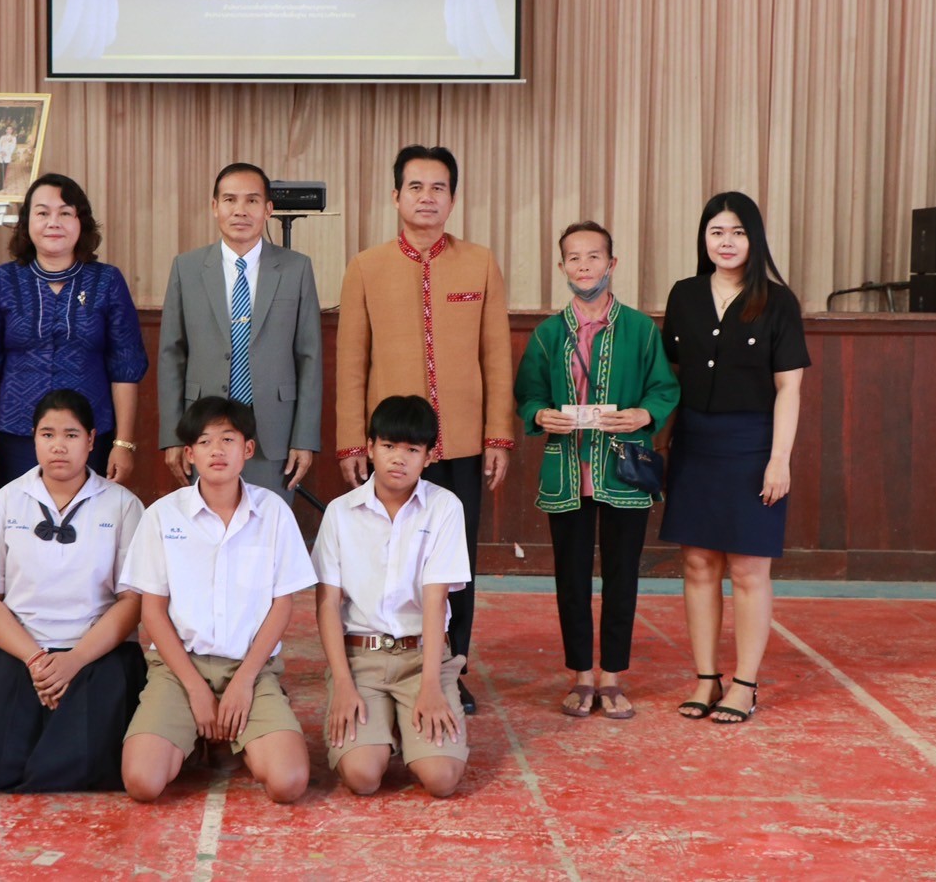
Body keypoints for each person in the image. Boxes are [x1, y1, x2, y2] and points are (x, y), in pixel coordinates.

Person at [336, 145, 516, 714]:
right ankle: (384, 666)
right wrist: (352, 441)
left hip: (461, 443)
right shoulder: (366, 266)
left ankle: (451, 668)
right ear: (396, 196)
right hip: (393, 447)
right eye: (415, 187)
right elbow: (351, 362)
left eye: (438, 188)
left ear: (453, 199)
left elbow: (496, 356)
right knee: (390, 560)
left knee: (455, 566)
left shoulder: (479, 263)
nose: (427, 197)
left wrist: (497, 435)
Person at [0, 389, 147, 792]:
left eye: (71, 434)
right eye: (47, 434)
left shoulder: (123, 505)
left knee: (83, 765)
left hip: (98, 652)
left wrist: (74, 660)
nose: (58, 446)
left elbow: (132, 600)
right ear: (33, 439)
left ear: (91, 439)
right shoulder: (4, 502)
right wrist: (36, 659)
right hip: (19, 649)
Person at [514, 222, 679, 719]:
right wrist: (541, 415)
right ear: (561, 266)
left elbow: (664, 388)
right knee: (571, 577)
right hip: (567, 471)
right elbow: (528, 395)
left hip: (624, 469)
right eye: (574, 258)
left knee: (623, 575)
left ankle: (612, 676)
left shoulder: (640, 329)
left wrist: (644, 414)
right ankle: (581, 674)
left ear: (612, 263)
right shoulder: (548, 334)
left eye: (594, 256)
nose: (584, 266)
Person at [659, 192, 810, 724]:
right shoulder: (684, 295)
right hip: (694, 444)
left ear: (755, 239)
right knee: (698, 563)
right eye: (717, 231)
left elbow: (789, 388)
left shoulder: (778, 302)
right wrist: (661, 444)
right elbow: (670, 378)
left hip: (752, 445)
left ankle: (745, 683)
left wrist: (780, 459)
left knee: (748, 568)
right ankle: (706, 678)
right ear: (704, 238)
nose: (726, 242)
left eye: (738, 232)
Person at [119, 397, 316, 804]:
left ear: (248, 449)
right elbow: (152, 611)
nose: (217, 450)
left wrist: (244, 681)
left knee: (289, 783)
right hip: (179, 668)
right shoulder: (162, 515)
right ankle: (199, 736)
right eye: (205, 441)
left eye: (228, 439)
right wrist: (194, 688)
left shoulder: (274, 512)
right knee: (142, 782)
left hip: (250, 667)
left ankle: (236, 730)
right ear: (190, 454)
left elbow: (283, 605)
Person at [313, 396, 471, 798]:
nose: (398, 458)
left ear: (429, 457)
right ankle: (386, 727)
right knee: (362, 777)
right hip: (361, 660)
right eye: (388, 446)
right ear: (370, 448)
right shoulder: (340, 512)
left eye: (412, 450)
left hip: (422, 660)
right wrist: (343, 683)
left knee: (441, 779)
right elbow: (328, 603)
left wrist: (431, 686)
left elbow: (435, 601)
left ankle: (406, 719)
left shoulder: (445, 508)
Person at [0, 173, 148, 493]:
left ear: (81, 222)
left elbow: (125, 366)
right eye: (43, 213)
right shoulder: (4, 281)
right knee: (24, 518)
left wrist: (123, 443)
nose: (54, 222)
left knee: (89, 519)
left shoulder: (106, 281)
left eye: (65, 213)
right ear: (27, 222)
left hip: (90, 435)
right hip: (19, 434)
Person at [158, 162, 322, 499]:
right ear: (214, 206)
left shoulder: (296, 268)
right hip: (203, 430)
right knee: (206, 523)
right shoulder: (187, 268)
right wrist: (173, 435)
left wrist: (304, 437)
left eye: (252, 200)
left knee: (268, 523)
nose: (240, 210)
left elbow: (310, 357)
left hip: (274, 432)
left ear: (268, 209)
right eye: (230, 200)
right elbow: (172, 355)